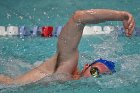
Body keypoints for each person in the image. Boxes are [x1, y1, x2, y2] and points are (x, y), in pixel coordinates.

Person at [0, 9, 135, 85]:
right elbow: (78, 17)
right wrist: (121, 16)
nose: (95, 78)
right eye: (95, 72)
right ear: (86, 66)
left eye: (100, 77)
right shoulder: (67, 65)